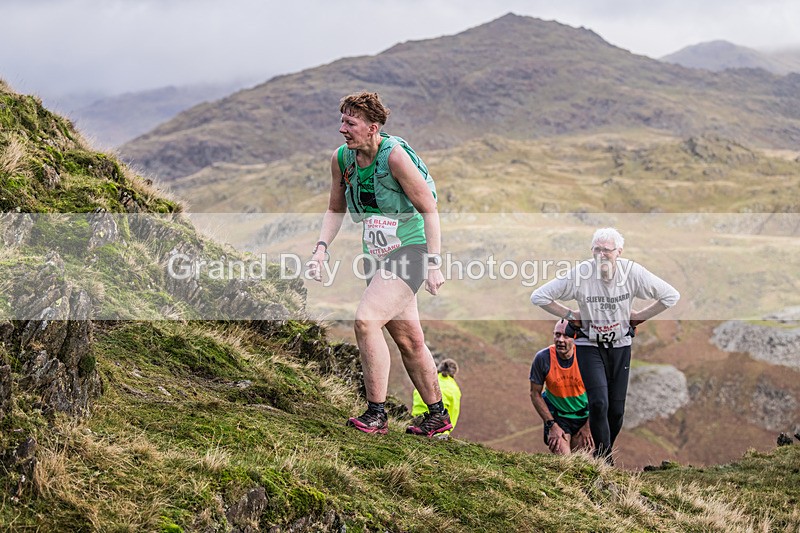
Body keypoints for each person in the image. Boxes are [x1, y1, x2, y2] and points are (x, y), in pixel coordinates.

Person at [308, 91, 450, 437]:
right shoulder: (342, 160)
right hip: (376, 254)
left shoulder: (395, 158)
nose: (343, 129)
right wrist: (321, 249)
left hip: (412, 251)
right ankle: (437, 415)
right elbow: (335, 208)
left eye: (350, 123)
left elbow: (430, 209)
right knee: (410, 340)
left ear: (373, 128)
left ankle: (376, 414)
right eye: (342, 120)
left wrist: (434, 264)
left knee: (366, 320)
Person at [530, 228, 680, 462]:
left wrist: (640, 316)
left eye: (607, 250)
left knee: (616, 411)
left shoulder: (633, 273)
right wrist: (570, 314)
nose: (601, 255)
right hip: (589, 344)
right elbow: (539, 296)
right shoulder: (580, 274)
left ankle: (603, 453)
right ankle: (605, 460)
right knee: (599, 403)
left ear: (618, 252)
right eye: (596, 250)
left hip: (620, 345)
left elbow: (670, 296)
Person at [529, 320, 593, 455]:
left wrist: (589, 427)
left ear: (575, 337)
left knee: (584, 464)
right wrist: (551, 425)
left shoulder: (586, 357)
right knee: (565, 461)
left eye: (566, 336)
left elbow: (600, 394)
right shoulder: (543, 358)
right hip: (557, 416)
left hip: (583, 416)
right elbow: (535, 393)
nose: (560, 340)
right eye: (557, 335)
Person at [412, 358, 462, 437]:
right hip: (437, 427)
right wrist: (447, 430)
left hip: (415, 421)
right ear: (454, 373)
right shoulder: (454, 389)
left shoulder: (427, 381)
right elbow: (454, 411)